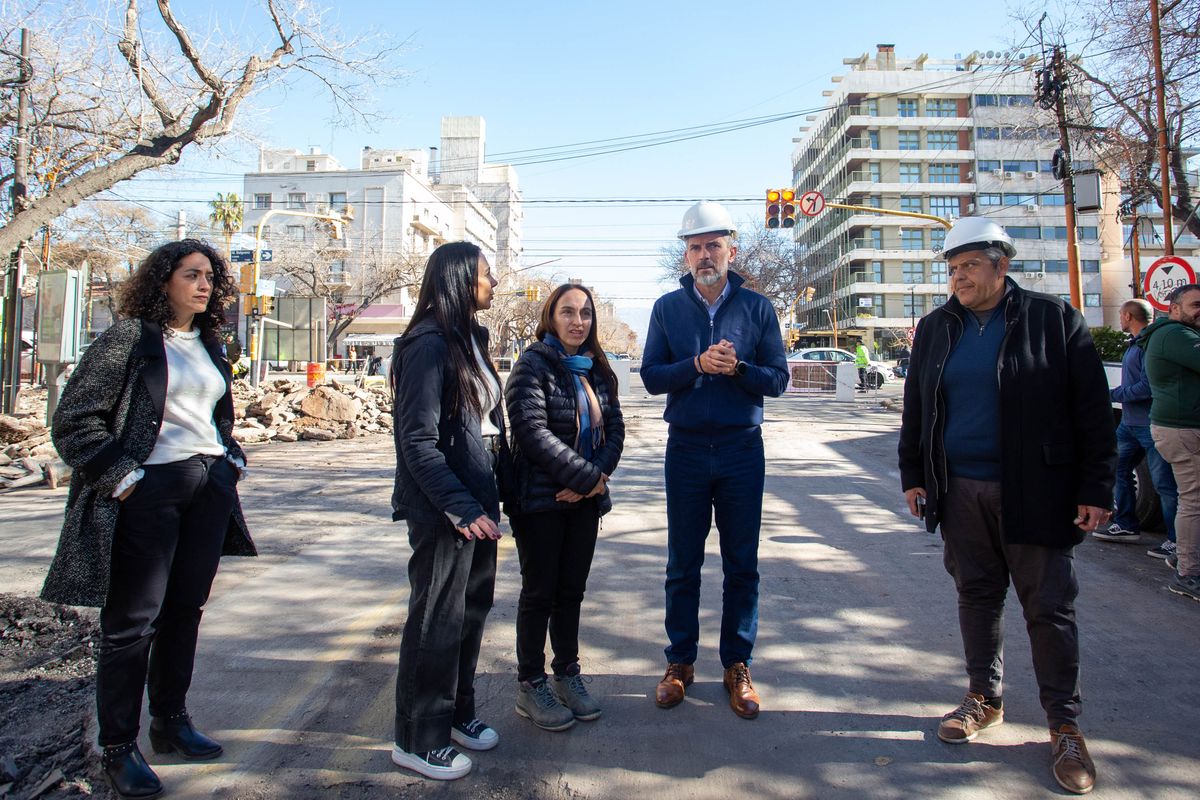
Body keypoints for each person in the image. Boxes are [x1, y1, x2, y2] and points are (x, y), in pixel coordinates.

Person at [897, 217, 1115, 795]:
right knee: (976, 595)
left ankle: (1063, 726)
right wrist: (914, 475)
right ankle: (983, 698)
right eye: (951, 268)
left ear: (1002, 264)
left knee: (1048, 607)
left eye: (969, 266)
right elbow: (916, 405)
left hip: (1038, 490)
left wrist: (1096, 487)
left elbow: (1092, 409)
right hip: (960, 489)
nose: (958, 277)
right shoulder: (938, 327)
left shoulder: (1052, 319)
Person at [42, 239, 255, 800]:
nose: (205, 285)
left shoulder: (210, 343)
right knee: (132, 622)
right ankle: (119, 748)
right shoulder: (129, 339)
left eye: (211, 276)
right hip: (148, 492)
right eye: (192, 274)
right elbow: (74, 420)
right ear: (163, 281)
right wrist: (124, 476)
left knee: (186, 610)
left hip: (206, 489)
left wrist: (229, 457)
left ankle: (170, 722)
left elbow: (212, 417)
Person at [641, 201, 789, 720]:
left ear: (732, 249)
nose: (705, 255)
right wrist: (696, 365)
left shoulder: (758, 308)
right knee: (682, 563)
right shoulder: (666, 308)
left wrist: (739, 369)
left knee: (741, 565)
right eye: (695, 246)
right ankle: (679, 662)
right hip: (684, 448)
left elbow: (778, 379)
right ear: (685, 254)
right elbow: (652, 376)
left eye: (713, 245)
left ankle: (737, 666)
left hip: (741, 450)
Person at [389, 241, 507, 781]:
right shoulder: (428, 344)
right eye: (487, 275)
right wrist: (458, 505)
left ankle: (457, 714)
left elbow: (484, 427)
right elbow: (417, 441)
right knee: (436, 621)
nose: (495, 284)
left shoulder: (470, 339)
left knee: (469, 613)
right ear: (460, 278)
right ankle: (419, 738)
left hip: (479, 502)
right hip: (444, 508)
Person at [504, 284, 625, 731]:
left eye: (586, 313)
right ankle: (530, 683)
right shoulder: (532, 365)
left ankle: (566, 673)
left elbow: (615, 429)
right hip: (541, 501)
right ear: (550, 316)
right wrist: (586, 478)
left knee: (571, 591)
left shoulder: (596, 368)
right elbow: (532, 432)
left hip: (584, 502)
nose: (579, 321)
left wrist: (593, 482)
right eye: (568, 312)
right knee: (540, 593)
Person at [1093, 299, 1178, 552]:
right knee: (1118, 469)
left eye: (1120, 314)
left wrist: (1113, 394)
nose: (1119, 319)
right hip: (1129, 424)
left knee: (1164, 484)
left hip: (1148, 424)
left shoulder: (1148, 346)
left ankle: (1176, 541)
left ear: (1129, 316)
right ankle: (1127, 523)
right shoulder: (1135, 343)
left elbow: (1148, 386)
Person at [1142, 283, 1200, 601]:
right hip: (1185, 431)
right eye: (1195, 304)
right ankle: (1188, 573)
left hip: (1180, 429)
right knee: (1194, 501)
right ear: (1174, 308)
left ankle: (1187, 558)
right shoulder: (1175, 335)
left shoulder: (1174, 334)